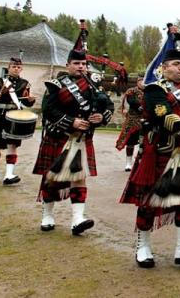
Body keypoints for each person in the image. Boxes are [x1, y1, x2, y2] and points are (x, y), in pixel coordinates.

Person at [120, 46, 180, 268]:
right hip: (160, 151)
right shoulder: (155, 90)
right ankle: (143, 246)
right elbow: (167, 118)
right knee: (149, 202)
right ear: (163, 68)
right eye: (176, 64)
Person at [33, 47, 114, 235]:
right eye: (77, 63)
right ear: (68, 65)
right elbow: (48, 110)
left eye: (84, 64)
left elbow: (108, 105)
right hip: (59, 137)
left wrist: (101, 117)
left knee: (79, 177)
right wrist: (72, 122)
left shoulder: (93, 85)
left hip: (81, 139)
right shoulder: (56, 84)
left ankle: (78, 219)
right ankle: (47, 215)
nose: (81, 67)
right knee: (51, 179)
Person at [0, 55, 36, 184]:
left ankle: (9, 175)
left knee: (12, 145)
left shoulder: (24, 84)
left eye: (18, 67)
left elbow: (27, 102)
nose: (16, 69)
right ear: (8, 68)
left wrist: (31, 100)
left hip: (15, 117)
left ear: (22, 69)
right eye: (13, 66)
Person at [116, 77, 145, 171]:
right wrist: (141, 106)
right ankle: (128, 163)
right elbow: (131, 101)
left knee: (144, 142)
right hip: (132, 119)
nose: (143, 83)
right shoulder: (131, 91)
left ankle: (140, 162)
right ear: (138, 82)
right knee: (130, 142)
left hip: (145, 119)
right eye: (141, 81)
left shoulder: (150, 91)